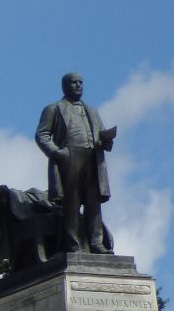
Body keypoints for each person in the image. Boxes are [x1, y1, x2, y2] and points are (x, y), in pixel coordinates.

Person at [35, 72, 116, 254]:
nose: (78, 85)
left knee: (93, 202)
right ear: (65, 86)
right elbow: (42, 135)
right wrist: (57, 152)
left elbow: (100, 134)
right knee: (72, 202)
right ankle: (73, 243)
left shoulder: (92, 111)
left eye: (80, 82)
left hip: (93, 158)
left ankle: (96, 242)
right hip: (69, 156)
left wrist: (106, 140)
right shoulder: (54, 108)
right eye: (74, 83)